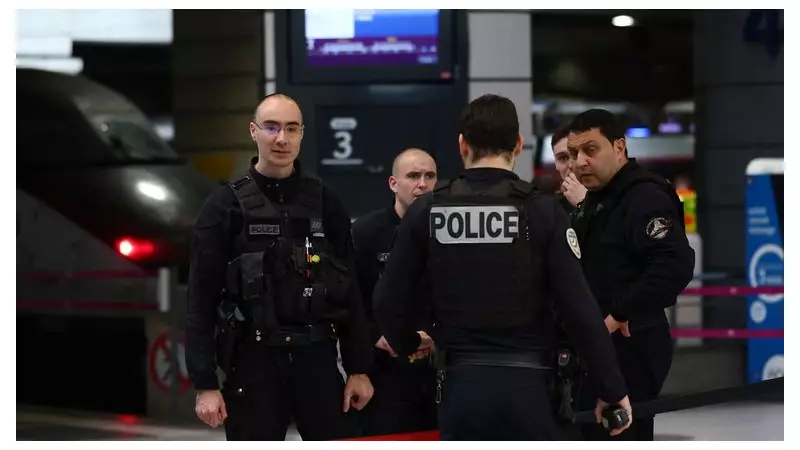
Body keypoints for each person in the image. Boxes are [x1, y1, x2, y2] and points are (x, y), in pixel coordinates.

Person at [372, 94, 632, 441]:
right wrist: (611, 388)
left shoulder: (428, 211)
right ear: (519, 144)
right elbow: (579, 309)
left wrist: (408, 344)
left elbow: (388, 300)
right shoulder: (542, 212)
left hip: (459, 387)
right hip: (530, 388)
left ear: (463, 144)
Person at [185, 93, 374, 441]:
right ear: (253, 132)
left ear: (302, 133)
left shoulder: (325, 201)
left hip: (316, 357)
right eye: (271, 128)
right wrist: (205, 383)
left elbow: (350, 291)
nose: (281, 139)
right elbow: (200, 298)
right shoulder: (224, 205)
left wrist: (359, 368)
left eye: (291, 129)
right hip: (254, 361)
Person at [565, 109, 695, 441]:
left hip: (629, 349)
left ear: (619, 148)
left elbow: (673, 265)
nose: (580, 162)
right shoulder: (598, 199)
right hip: (597, 347)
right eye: (573, 153)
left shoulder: (643, 196)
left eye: (590, 150)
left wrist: (621, 312)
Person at [351, 148, 439, 437]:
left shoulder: (449, 231)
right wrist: (378, 335)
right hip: (384, 370)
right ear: (393, 183)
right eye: (413, 176)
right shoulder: (365, 233)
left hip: (438, 368)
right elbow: (352, 300)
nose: (422, 184)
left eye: (429, 176)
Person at [550, 123, 587, 214]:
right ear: (556, 165)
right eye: (563, 158)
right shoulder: (547, 210)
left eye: (577, 154)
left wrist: (583, 203)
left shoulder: (616, 201)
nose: (571, 165)